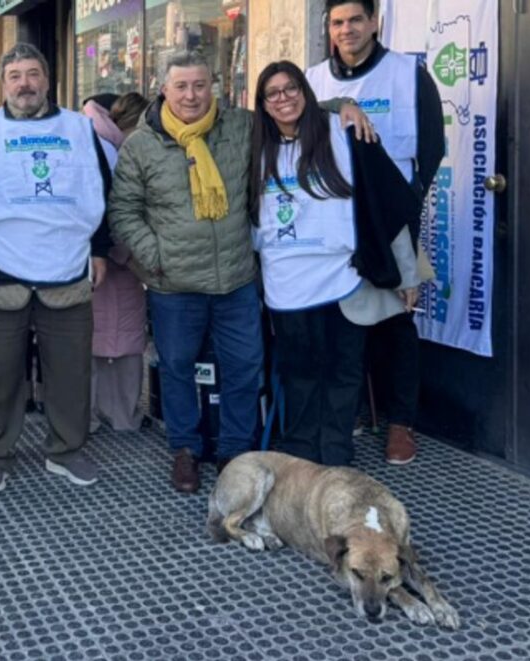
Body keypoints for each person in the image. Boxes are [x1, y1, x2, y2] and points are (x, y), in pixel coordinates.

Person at [109, 51, 374, 493]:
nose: (191, 95)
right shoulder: (142, 144)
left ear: (212, 86)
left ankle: (235, 451)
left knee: (245, 368)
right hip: (173, 284)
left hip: (235, 279)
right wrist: (154, 256)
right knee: (176, 368)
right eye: (181, 87)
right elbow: (123, 210)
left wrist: (341, 104)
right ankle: (186, 450)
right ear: (163, 90)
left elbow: (288, 109)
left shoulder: (239, 126)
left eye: (199, 85)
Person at [0, 43, 112, 494]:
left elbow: (101, 192)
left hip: (67, 270)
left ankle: (67, 450)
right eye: (14, 75)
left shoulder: (78, 128)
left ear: (47, 81)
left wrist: (99, 249)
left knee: (70, 371)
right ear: (4, 84)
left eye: (33, 74)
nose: (24, 84)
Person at [251, 61, 421, 466]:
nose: (283, 98)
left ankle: (337, 457)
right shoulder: (253, 145)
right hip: (287, 283)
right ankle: (303, 458)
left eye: (291, 88)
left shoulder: (346, 134)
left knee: (344, 371)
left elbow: (387, 206)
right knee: (300, 374)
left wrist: (407, 272)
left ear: (305, 92)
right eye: (272, 93)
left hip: (342, 278)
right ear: (262, 104)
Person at [305, 0, 445, 465]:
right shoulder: (314, 80)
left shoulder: (407, 73)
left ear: (374, 23)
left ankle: (401, 422)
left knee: (396, 319)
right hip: (334, 218)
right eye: (338, 22)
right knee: (342, 318)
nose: (346, 30)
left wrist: (407, 201)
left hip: (390, 215)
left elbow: (432, 145)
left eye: (355, 20)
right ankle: (358, 411)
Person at [82, 92, 150, 432]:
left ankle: (90, 416)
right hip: (117, 258)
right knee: (121, 344)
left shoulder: (96, 139)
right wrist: (135, 255)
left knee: (95, 342)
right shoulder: (113, 150)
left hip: (96, 259)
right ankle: (122, 415)